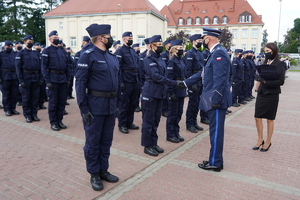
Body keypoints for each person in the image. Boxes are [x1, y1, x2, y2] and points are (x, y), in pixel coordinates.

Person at [179, 28, 231, 172]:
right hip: (212, 96)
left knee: (216, 132)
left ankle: (215, 162)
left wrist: (215, 99)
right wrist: (185, 83)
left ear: (208, 38)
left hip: (216, 99)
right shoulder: (215, 53)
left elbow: (220, 79)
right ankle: (215, 159)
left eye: (204, 38)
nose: (203, 41)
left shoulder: (219, 52)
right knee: (214, 131)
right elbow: (203, 73)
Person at [75, 23, 119, 191]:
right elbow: (80, 84)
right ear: (101, 38)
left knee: (106, 140)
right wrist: (83, 108)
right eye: (109, 37)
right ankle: (94, 173)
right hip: (95, 105)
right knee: (93, 142)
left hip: (110, 105)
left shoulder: (111, 56)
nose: (111, 39)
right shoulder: (87, 55)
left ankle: (103, 170)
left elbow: (117, 82)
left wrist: (118, 105)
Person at [141, 35, 180, 156]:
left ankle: (153, 143)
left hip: (159, 93)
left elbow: (164, 75)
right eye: (158, 45)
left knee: (156, 120)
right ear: (152, 46)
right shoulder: (148, 59)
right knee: (148, 120)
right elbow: (156, 76)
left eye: (161, 45)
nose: (160, 47)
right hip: (150, 92)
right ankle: (147, 145)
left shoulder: (160, 59)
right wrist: (173, 83)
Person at [253, 42, 285, 152]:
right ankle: (260, 139)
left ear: (274, 51)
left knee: (270, 119)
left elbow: (281, 81)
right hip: (262, 93)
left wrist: (266, 81)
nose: (266, 53)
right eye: (265, 51)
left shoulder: (279, 64)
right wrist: (259, 78)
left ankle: (268, 141)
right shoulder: (265, 62)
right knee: (257, 117)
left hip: (272, 94)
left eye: (268, 51)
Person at [41, 30, 70, 131]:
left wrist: (68, 78)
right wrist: (47, 81)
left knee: (61, 102)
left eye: (57, 38)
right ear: (50, 39)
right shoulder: (47, 51)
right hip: (52, 79)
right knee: (53, 103)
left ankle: (59, 121)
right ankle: (53, 122)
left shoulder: (62, 50)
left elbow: (66, 66)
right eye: (54, 38)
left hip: (62, 79)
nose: (56, 40)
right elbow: (44, 67)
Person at [115, 32, 140, 134]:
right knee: (124, 104)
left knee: (133, 103)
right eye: (129, 38)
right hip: (126, 81)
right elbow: (117, 68)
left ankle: (129, 122)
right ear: (124, 39)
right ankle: (122, 124)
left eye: (132, 38)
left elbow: (138, 66)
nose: (131, 39)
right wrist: (120, 82)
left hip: (134, 80)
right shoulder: (120, 51)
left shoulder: (132, 51)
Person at [15, 35, 42, 123]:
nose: (30, 42)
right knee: (26, 98)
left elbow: (40, 67)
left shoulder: (35, 53)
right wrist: (21, 80)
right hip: (25, 77)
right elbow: (18, 68)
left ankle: (34, 114)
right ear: (24, 42)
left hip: (35, 77)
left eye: (31, 41)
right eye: (28, 41)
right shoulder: (21, 53)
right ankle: (27, 115)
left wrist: (41, 78)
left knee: (35, 97)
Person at [166, 39, 187, 143]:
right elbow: (169, 79)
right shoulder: (172, 61)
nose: (182, 50)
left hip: (181, 90)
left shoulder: (181, 60)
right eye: (180, 48)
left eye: (182, 48)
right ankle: (170, 134)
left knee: (179, 113)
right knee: (172, 114)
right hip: (174, 90)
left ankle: (176, 132)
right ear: (174, 50)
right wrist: (171, 93)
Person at [184, 34, 204, 133]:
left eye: (201, 40)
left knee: (197, 103)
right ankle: (189, 124)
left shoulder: (200, 53)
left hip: (200, 81)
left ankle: (194, 122)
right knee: (192, 103)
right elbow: (188, 70)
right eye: (198, 40)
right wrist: (191, 83)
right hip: (194, 81)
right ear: (193, 41)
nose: (200, 42)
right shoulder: (190, 53)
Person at [0, 40, 20, 116]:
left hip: (14, 76)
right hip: (5, 76)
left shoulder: (15, 54)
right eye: (8, 46)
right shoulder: (1, 54)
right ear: (5, 46)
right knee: (6, 95)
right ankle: (7, 109)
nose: (10, 48)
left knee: (14, 94)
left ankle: (13, 108)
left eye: (11, 46)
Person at [161, 39, 172, 117]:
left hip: (171, 77)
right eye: (168, 44)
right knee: (165, 94)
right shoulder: (163, 55)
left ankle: (168, 109)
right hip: (165, 76)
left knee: (170, 94)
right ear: (165, 46)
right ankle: (164, 110)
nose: (170, 45)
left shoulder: (173, 54)